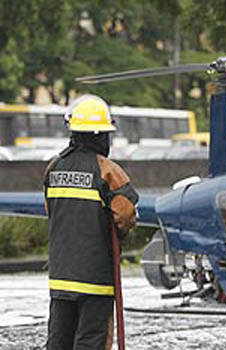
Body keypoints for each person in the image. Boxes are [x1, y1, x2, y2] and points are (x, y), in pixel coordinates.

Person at [43, 94, 139, 349]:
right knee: (91, 341)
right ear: (102, 136)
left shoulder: (54, 168)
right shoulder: (108, 171)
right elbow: (126, 214)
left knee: (59, 341)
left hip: (61, 276)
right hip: (96, 278)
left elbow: (51, 210)